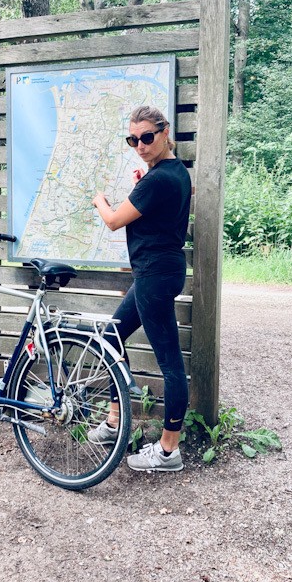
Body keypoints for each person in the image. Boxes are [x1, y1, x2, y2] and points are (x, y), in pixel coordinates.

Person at [89, 105, 192, 472]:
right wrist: (143, 180)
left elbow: (115, 220)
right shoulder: (173, 171)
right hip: (158, 272)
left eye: (148, 137)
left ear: (165, 133)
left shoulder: (159, 179)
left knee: (169, 363)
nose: (141, 145)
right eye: (134, 139)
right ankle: (117, 420)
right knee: (111, 336)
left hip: (154, 275)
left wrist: (100, 201)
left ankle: (168, 450)